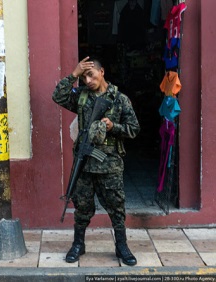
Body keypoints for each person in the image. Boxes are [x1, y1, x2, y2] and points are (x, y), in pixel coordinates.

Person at [52, 56, 140, 266]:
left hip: (109, 164)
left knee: (116, 207)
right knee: (82, 207)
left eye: (90, 75)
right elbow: (58, 96)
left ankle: (121, 246)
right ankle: (78, 244)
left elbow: (134, 129)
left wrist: (114, 127)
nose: (87, 81)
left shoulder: (120, 99)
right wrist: (73, 74)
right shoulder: (81, 97)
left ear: (102, 72)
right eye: (83, 78)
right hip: (84, 164)